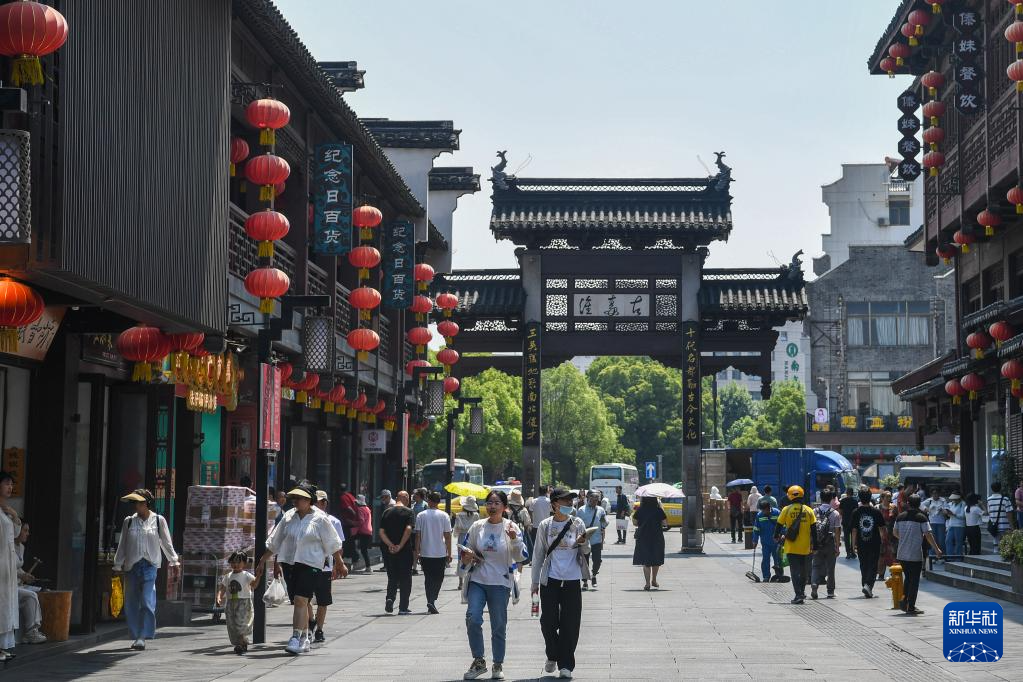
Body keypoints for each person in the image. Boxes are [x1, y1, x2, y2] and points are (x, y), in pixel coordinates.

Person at [256, 484, 345, 655]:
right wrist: (263, 561)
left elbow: (332, 542)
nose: (295, 501)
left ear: (309, 500)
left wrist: (339, 563)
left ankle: (295, 637)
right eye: (294, 498)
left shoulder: (320, 518)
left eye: (300, 498)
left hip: (311, 564)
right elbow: (276, 540)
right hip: (290, 563)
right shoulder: (289, 516)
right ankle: (304, 637)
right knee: (299, 602)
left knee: (300, 599)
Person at [459, 490, 525, 680]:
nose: (492, 506)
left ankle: (498, 664)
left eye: (497, 503)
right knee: (472, 618)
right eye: (489, 503)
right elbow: (465, 550)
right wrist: (467, 557)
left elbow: (522, 556)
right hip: (478, 580)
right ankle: (479, 661)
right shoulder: (477, 526)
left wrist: (514, 539)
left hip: (500, 582)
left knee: (498, 625)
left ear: (504, 507)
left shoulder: (511, 527)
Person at [530, 487, 589, 680]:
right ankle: (552, 653)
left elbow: (586, 550)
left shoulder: (577, 523)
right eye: (565, 500)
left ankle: (566, 665)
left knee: (570, 624)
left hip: (572, 579)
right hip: (551, 579)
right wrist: (534, 582)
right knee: (548, 621)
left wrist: (583, 542)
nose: (569, 503)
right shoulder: (545, 526)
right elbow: (538, 554)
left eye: (571, 500)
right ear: (554, 503)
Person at [112, 488, 180, 651]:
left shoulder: (158, 520)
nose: (136, 506)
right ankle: (136, 635)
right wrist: (117, 564)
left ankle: (143, 635)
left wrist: (174, 561)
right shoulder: (129, 521)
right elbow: (123, 545)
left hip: (150, 565)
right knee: (131, 602)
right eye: (135, 503)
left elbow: (166, 543)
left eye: (139, 503)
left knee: (146, 600)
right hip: (132, 566)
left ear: (147, 503)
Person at [893, 494, 943, 615]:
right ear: (919, 504)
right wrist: (937, 549)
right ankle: (910, 606)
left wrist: (904, 539)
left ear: (908, 504)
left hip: (902, 554)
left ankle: (904, 601)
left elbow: (895, 532)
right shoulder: (921, 517)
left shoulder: (900, 516)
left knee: (908, 578)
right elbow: (928, 534)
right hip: (915, 554)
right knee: (914, 580)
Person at [312, 490, 345, 641]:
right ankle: (310, 621)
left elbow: (338, 546)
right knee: (304, 598)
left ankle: (319, 629)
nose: (315, 505)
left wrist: (337, 565)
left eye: (318, 502)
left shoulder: (334, 521)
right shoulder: (306, 519)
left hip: (325, 566)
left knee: (323, 599)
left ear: (324, 503)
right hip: (308, 563)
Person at [776, 485, 817, 604]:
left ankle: (798, 594)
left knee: (794, 571)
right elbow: (814, 530)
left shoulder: (786, 510)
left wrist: (776, 536)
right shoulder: (808, 510)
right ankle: (802, 592)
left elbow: (779, 525)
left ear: (789, 496)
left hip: (791, 546)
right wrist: (815, 545)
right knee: (804, 571)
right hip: (805, 547)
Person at [378, 489, 415, 615]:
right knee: (405, 578)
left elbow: (381, 532)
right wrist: (400, 545)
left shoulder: (387, 512)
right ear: (404, 498)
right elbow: (408, 529)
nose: (409, 500)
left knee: (392, 576)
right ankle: (403, 607)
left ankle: (390, 598)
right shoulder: (409, 512)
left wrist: (390, 545)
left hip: (389, 551)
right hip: (404, 551)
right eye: (408, 498)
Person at [215, 550, 260, 654]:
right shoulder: (228, 576)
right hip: (231, 604)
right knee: (232, 625)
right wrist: (219, 597)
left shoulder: (246, 575)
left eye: (238, 562)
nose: (235, 564)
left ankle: (240, 643)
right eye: (233, 562)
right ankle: (242, 643)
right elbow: (222, 588)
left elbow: (254, 585)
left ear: (244, 563)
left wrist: (258, 576)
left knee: (241, 624)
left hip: (243, 603)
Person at [415, 491, 452, 614]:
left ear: (429, 501)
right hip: (440, 552)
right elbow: (447, 536)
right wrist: (449, 552)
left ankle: (430, 599)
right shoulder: (444, 516)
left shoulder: (421, 515)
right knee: (439, 577)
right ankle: (432, 598)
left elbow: (418, 535)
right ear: (439, 502)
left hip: (425, 552)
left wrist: (417, 551)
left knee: (428, 578)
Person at [850, 489, 886, 598]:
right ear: (870, 498)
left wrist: (853, 545)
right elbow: (882, 529)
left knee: (863, 565)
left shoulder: (856, 512)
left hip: (861, 543)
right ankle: (868, 585)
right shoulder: (876, 512)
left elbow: (854, 530)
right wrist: (883, 540)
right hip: (874, 543)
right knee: (873, 565)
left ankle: (866, 585)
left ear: (860, 498)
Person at [13, 523, 44, 645]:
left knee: (37, 590)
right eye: (25, 530)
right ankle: (31, 632)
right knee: (31, 596)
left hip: (18, 584)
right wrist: (21, 576)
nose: (28, 534)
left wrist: (25, 575)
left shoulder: (21, 547)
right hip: (8, 586)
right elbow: (6, 567)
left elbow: (17, 568)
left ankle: (32, 630)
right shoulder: (7, 546)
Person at [810, 489, 841, 599]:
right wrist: (837, 546)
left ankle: (814, 584)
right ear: (831, 499)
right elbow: (837, 531)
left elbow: (811, 529)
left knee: (816, 565)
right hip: (830, 542)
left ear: (820, 498)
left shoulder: (814, 511)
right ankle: (830, 591)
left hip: (817, 542)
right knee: (830, 567)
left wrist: (811, 543)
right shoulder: (835, 513)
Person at [632, 496, 667, 590]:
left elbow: (635, 522)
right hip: (657, 537)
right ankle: (654, 580)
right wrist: (661, 509)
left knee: (646, 560)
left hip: (643, 537)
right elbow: (665, 523)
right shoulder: (659, 510)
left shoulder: (640, 510)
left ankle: (647, 583)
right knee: (656, 559)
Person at [578, 491, 607, 590]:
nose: (595, 502)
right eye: (593, 500)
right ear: (588, 499)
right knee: (585, 561)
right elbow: (577, 524)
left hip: (596, 540)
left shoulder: (601, 510)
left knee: (597, 560)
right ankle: (585, 582)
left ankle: (594, 575)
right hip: (585, 540)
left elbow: (604, 524)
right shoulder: (581, 510)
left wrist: (603, 523)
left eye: (596, 500)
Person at [750, 498, 781, 582]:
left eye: (765, 510)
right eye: (762, 510)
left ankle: (779, 575)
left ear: (769, 507)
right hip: (765, 542)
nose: (764, 512)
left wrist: (783, 535)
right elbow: (756, 529)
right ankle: (766, 576)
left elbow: (783, 525)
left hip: (776, 541)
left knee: (778, 559)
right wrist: (755, 540)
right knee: (765, 559)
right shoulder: (759, 515)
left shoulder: (777, 513)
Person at [454, 497, 480, 590]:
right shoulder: (476, 515)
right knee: (472, 557)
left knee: (461, 558)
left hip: (462, 537)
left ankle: (460, 582)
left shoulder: (459, 515)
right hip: (473, 537)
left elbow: (457, 528)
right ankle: (470, 579)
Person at [921, 488, 947, 559]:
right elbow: (920, 505)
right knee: (933, 540)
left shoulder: (943, 500)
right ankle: (932, 558)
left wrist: (942, 509)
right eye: (933, 493)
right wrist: (927, 509)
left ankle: (942, 557)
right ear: (931, 494)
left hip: (941, 523)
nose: (935, 495)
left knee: (941, 541)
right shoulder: (929, 500)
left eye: (936, 493)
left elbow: (946, 510)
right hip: (932, 522)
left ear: (939, 494)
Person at [508, 490, 533, 563]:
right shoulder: (524, 510)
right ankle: (521, 561)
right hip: (520, 530)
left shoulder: (508, 509)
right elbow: (527, 522)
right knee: (521, 546)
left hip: (509, 530)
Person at [375, 489, 397, 573]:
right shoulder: (389, 504)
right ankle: (387, 565)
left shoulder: (391, 505)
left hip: (389, 531)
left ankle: (388, 565)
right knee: (384, 548)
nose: (382, 500)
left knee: (385, 548)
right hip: (388, 530)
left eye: (383, 498)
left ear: (387, 497)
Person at [877, 490, 897, 581]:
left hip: (892, 535)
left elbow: (897, 520)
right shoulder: (878, 508)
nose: (889, 498)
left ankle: (894, 573)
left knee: (893, 554)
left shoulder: (894, 507)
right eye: (887, 496)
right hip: (881, 534)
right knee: (881, 554)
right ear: (882, 498)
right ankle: (881, 574)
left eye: (890, 496)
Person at [351, 494, 373, 572]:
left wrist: (352, 522)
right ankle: (367, 566)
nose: (355, 504)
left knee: (352, 543)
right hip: (369, 531)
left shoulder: (360, 509)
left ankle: (367, 566)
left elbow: (361, 521)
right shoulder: (367, 509)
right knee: (364, 549)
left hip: (362, 531)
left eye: (356, 503)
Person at [838, 488, 859, 559]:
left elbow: (840, 511)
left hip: (845, 521)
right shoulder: (855, 501)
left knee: (846, 538)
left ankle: (848, 553)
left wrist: (844, 515)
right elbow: (856, 511)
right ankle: (853, 552)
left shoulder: (843, 501)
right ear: (852, 493)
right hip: (853, 522)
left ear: (847, 493)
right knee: (853, 537)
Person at [943, 492, 965, 558]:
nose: (954, 500)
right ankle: (950, 557)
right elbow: (948, 513)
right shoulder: (951, 503)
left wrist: (954, 514)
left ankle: (958, 557)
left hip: (959, 525)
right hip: (951, 524)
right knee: (948, 540)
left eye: (955, 499)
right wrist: (946, 512)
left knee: (958, 542)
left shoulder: (963, 504)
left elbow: (963, 516)